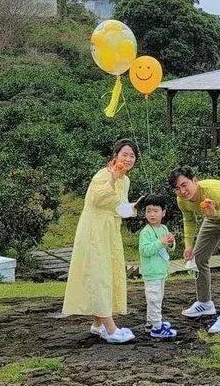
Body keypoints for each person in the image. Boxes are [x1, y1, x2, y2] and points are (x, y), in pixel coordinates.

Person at [62, 139, 144, 344]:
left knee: (108, 272)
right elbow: (96, 199)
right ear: (115, 155)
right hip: (94, 230)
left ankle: (98, 324)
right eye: (124, 154)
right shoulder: (103, 174)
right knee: (99, 274)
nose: (128, 159)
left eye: (132, 156)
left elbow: (119, 206)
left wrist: (135, 207)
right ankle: (110, 327)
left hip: (110, 230)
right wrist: (113, 180)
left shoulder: (126, 180)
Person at [168, 165, 220, 334]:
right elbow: (189, 220)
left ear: (195, 180)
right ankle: (205, 303)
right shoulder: (182, 200)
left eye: (184, 185)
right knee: (197, 258)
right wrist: (188, 245)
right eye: (177, 188)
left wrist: (216, 213)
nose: (182, 191)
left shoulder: (211, 192)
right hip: (212, 215)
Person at [138, 194, 178, 339]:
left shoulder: (164, 228)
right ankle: (157, 327)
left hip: (161, 271)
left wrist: (170, 242)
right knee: (153, 298)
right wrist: (160, 242)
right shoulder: (145, 232)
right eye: (148, 211)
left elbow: (169, 248)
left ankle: (151, 322)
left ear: (163, 212)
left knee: (158, 298)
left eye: (155, 211)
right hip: (151, 272)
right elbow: (145, 251)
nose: (152, 214)